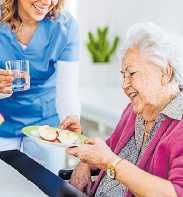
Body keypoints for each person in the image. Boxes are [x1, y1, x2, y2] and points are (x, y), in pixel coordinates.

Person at [67, 23, 183, 196]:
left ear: (165, 73)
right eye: (123, 75)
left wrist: (111, 162)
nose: (124, 84)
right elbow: (110, 148)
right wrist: (84, 163)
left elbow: (176, 193)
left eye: (132, 74)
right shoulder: (134, 110)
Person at [0, 0, 81, 174]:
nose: (46, 2)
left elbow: (67, 88)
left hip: (45, 126)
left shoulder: (65, 27)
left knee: (46, 186)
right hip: (2, 124)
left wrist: (70, 118)